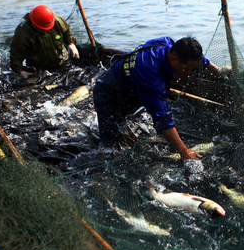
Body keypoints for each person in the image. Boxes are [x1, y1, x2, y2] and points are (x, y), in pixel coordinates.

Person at [93, 36, 230, 159]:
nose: (189, 73)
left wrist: (217, 70)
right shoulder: (151, 76)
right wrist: (184, 151)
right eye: (188, 69)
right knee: (111, 145)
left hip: (130, 85)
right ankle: (104, 161)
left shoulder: (168, 43)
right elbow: (163, 119)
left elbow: (196, 58)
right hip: (108, 93)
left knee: (124, 124)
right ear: (174, 59)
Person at [10, 4, 80, 79]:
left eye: (48, 28)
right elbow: (16, 55)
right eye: (43, 29)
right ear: (34, 25)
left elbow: (66, 30)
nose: (46, 30)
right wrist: (20, 72)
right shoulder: (23, 33)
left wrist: (71, 43)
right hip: (39, 68)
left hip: (62, 61)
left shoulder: (56, 19)